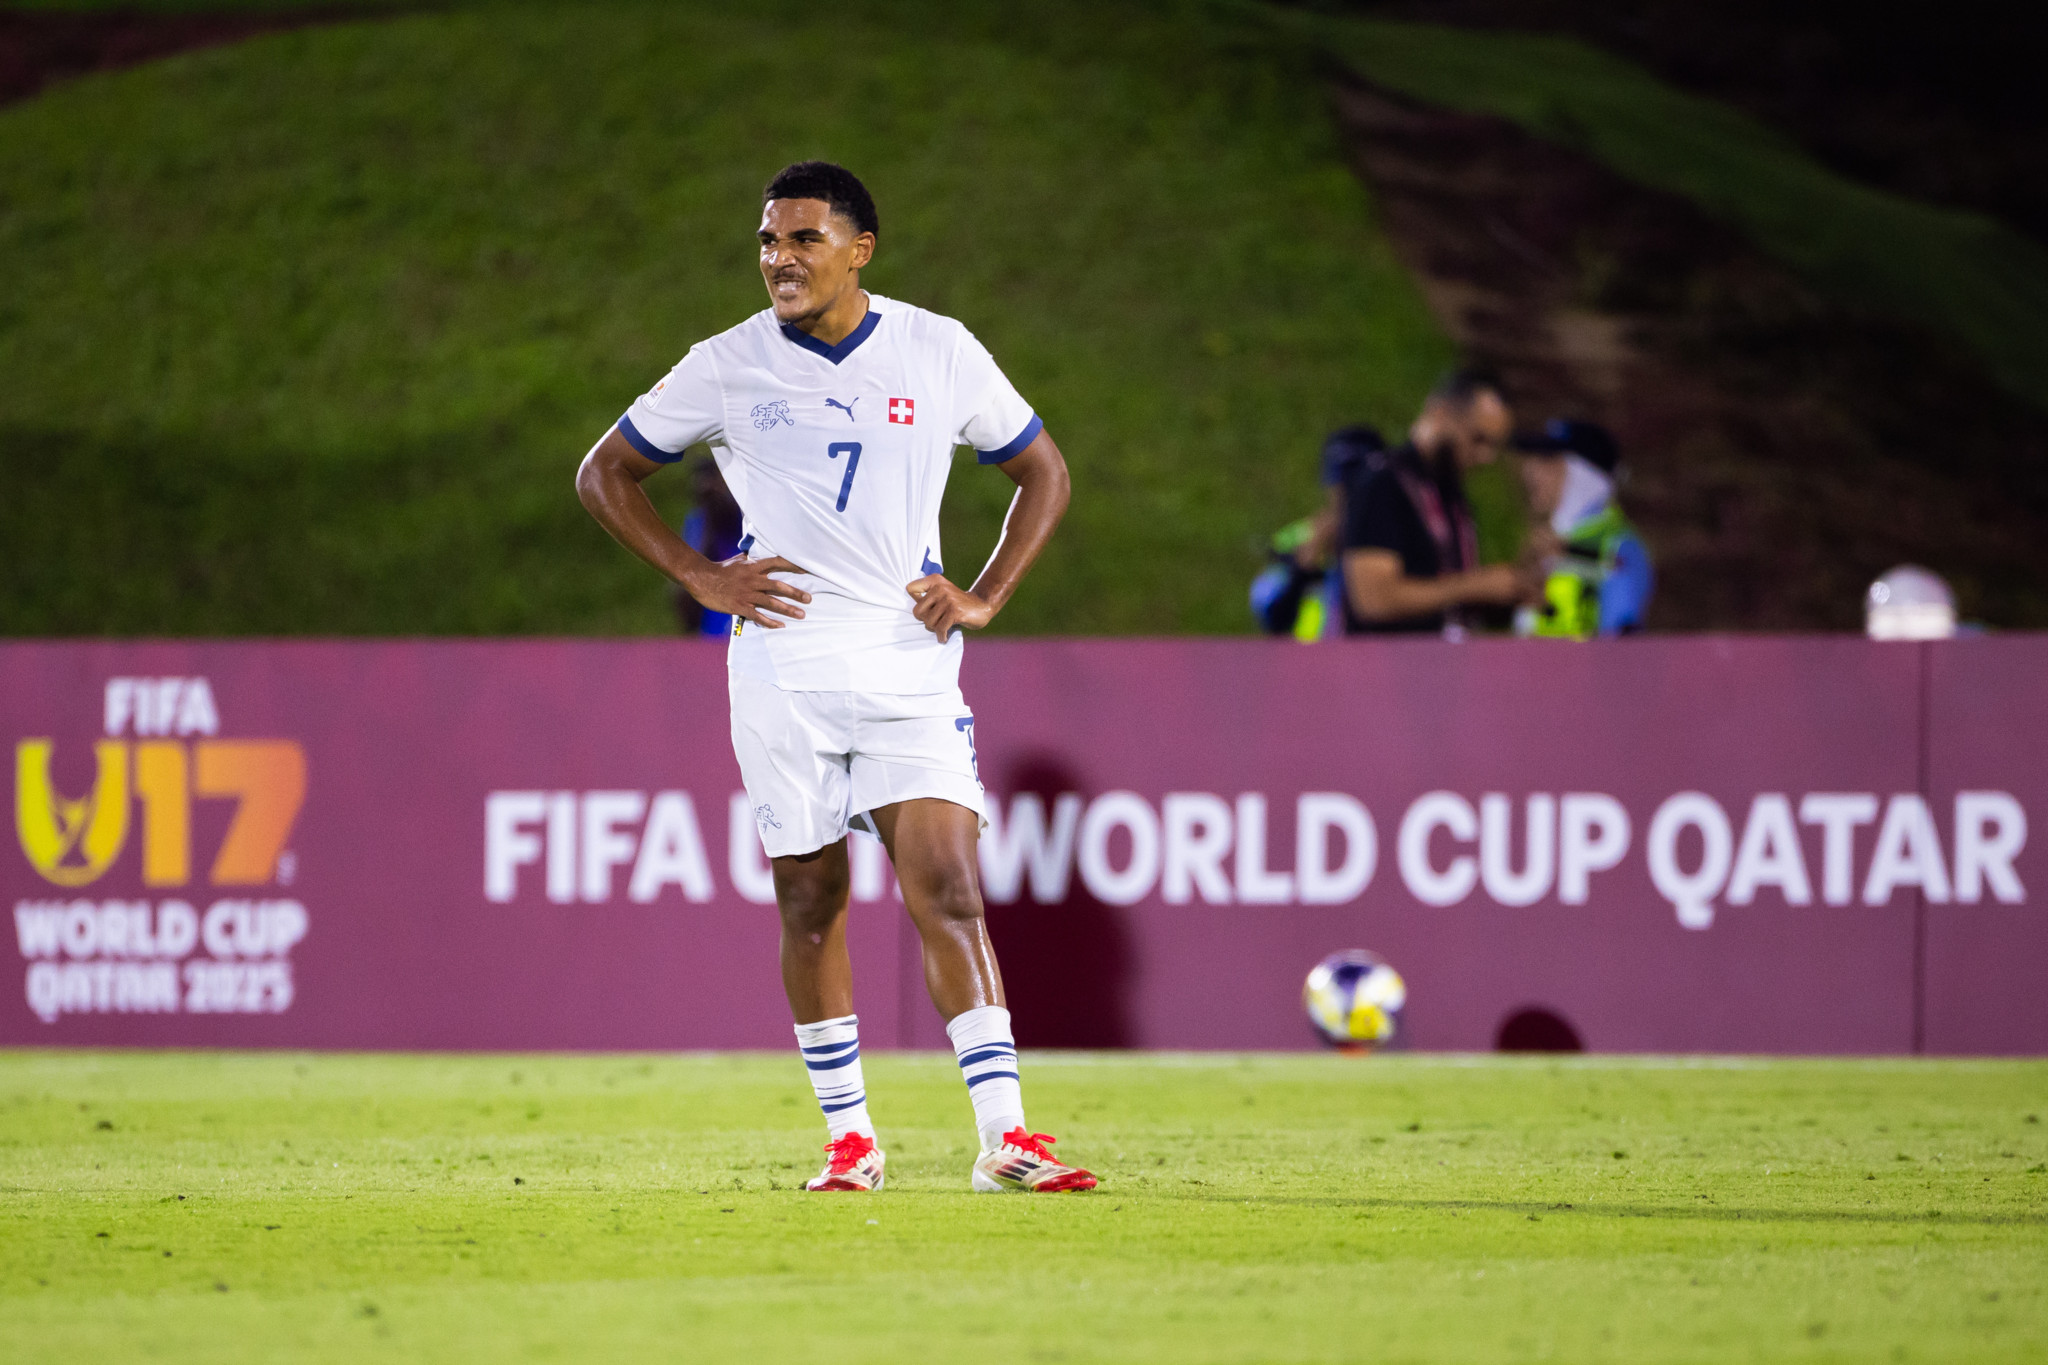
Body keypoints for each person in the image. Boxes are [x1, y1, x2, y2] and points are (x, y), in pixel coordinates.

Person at [576, 161, 1094, 1195]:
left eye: (803, 238)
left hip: (907, 660)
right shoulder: (726, 364)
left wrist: (987, 593)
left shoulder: (938, 349)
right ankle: (851, 1140)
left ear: (860, 250)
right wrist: (699, 574)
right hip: (784, 667)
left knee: (950, 888)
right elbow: (604, 473)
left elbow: (1042, 469)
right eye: (768, 241)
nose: (780, 258)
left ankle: (1005, 1138)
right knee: (810, 899)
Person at [1339, 369, 1536, 635]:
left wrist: (1505, 591)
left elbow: (1443, 602)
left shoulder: (1449, 493)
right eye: (1478, 439)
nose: (1486, 457)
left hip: (1441, 658)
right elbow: (1374, 600)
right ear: (1440, 412)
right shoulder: (1383, 483)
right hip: (1387, 661)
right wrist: (1474, 585)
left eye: (1494, 446)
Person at [1513, 420, 1654, 637]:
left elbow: (1621, 640)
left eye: (1548, 461)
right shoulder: (1548, 542)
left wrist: (1570, 554)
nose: (1529, 471)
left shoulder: (1618, 543)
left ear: (1581, 474)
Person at [1250, 426, 1384, 640]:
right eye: (1342, 487)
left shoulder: (1396, 536)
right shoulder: (1294, 542)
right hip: (1310, 658)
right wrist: (1303, 568)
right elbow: (1274, 622)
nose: (1351, 497)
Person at [672, 456, 747, 636]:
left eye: (711, 477)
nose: (704, 484)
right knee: (712, 647)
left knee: (737, 635)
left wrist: (715, 495)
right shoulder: (695, 518)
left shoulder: (736, 512)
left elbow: (725, 509)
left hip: (738, 598)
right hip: (710, 609)